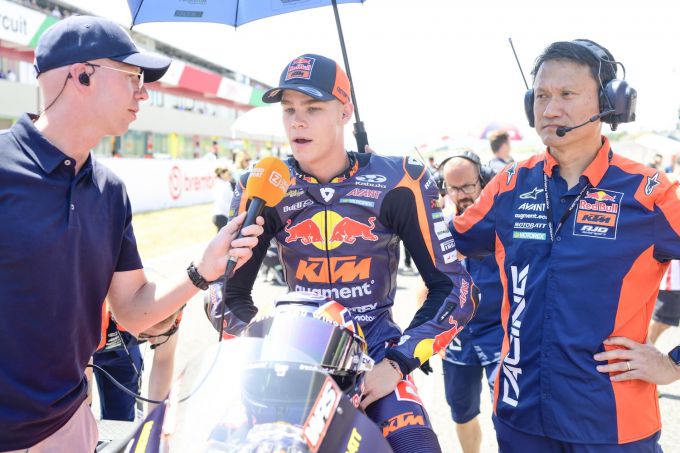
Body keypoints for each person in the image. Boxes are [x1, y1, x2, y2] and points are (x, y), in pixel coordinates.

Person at [0, 16, 262, 452]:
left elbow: (133, 312)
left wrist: (203, 269)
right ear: (82, 76)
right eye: (133, 77)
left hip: (69, 427)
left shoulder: (110, 191)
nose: (144, 93)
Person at [206, 53, 476, 452]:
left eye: (313, 108)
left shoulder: (399, 181)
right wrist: (263, 344)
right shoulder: (262, 185)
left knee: (417, 446)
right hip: (292, 361)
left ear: (345, 112)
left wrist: (397, 363)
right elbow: (223, 291)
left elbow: (457, 290)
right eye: (289, 109)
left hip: (376, 359)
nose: (297, 121)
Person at [451, 39, 677, 451]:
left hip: (612, 429)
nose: (550, 109)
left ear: (608, 103)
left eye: (567, 94)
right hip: (520, 420)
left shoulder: (650, 192)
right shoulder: (509, 184)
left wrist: (673, 364)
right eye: (541, 96)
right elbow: (447, 242)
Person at [439, 153, 503, 453]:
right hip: (456, 336)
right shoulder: (440, 226)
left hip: (500, 333)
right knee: (462, 412)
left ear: (484, 181)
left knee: (508, 413)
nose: (460, 195)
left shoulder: (504, 219)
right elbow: (429, 284)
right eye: (453, 188)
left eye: (467, 186)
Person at [91, 308, 181, 421]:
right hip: (85, 339)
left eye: (163, 333)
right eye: (144, 335)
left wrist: (155, 421)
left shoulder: (172, 309)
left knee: (121, 418)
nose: (153, 341)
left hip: (124, 352)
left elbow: (163, 360)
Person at [212, 165, 234, 232]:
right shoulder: (224, 185)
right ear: (222, 175)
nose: (231, 176)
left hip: (219, 215)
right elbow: (222, 203)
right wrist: (231, 213)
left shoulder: (219, 185)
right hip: (223, 216)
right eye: (229, 174)